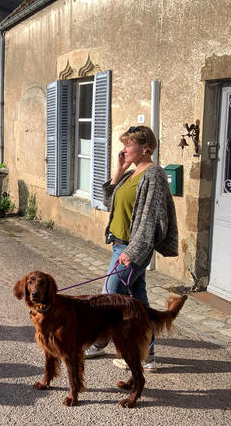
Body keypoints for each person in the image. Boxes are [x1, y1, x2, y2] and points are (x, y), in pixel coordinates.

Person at [84, 125, 178, 371]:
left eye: (128, 144)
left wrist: (132, 253)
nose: (123, 149)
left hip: (132, 248)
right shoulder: (132, 173)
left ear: (145, 148)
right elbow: (108, 202)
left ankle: (100, 341)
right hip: (120, 244)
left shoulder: (153, 175)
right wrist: (119, 170)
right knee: (138, 301)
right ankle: (148, 355)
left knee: (109, 297)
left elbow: (150, 220)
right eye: (123, 144)